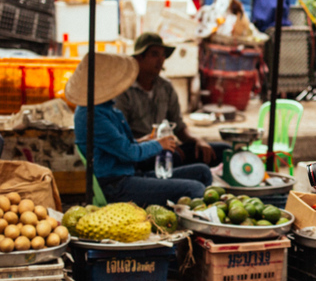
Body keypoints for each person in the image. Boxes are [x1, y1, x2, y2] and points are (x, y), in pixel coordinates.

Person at [68, 53, 212, 207]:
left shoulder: (106, 106)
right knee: (194, 188)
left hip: (130, 173)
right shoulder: (92, 114)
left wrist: (143, 141)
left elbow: (117, 146)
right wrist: (159, 144)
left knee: (202, 171)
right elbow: (129, 153)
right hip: (116, 185)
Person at [115, 32, 228, 168]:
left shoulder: (165, 87)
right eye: (155, 54)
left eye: (163, 55)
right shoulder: (124, 91)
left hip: (168, 148)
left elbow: (178, 126)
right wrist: (156, 145)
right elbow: (123, 143)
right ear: (139, 58)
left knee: (222, 151)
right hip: (140, 154)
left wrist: (198, 140)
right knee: (175, 159)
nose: (161, 60)